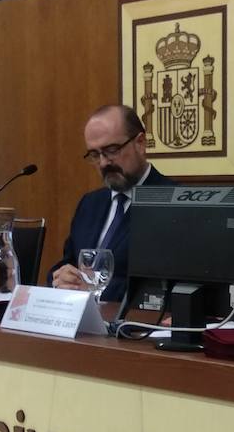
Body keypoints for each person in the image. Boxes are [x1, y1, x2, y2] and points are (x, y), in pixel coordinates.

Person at [49, 104, 174, 301]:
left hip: (136, 326)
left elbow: (163, 287)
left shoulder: (173, 203)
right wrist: (59, 278)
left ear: (140, 143)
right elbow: (69, 264)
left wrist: (94, 288)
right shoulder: (90, 204)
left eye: (112, 150)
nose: (103, 163)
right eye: (94, 154)